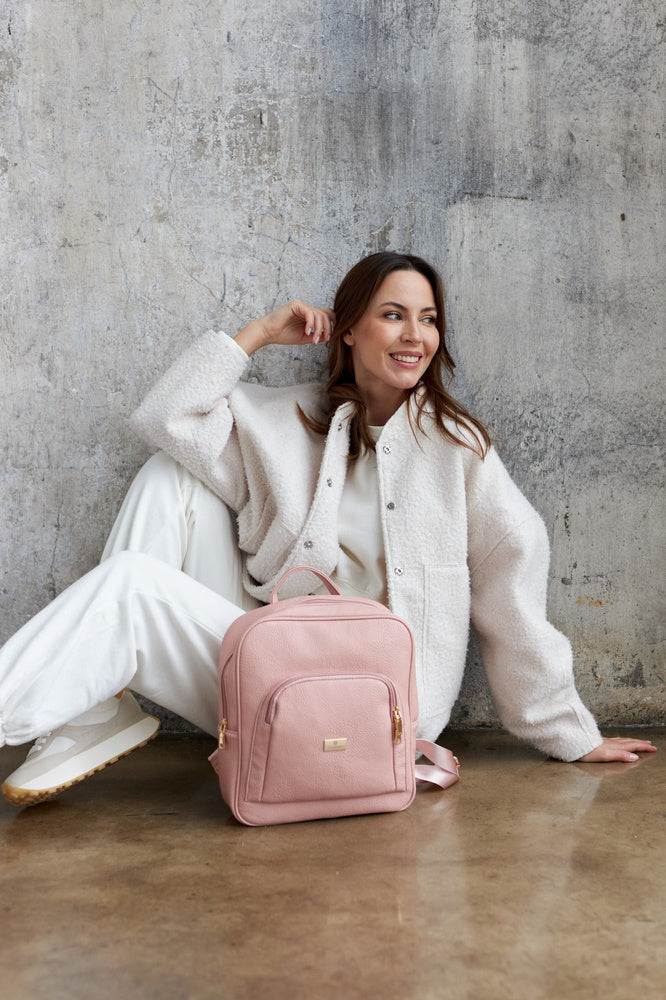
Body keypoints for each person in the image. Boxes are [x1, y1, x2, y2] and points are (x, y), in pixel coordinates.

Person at [0, 252, 655, 806]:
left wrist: (571, 734)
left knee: (130, 585)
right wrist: (258, 334)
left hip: (372, 708)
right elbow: (166, 419)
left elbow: (513, 594)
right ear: (347, 330)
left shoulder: (459, 450)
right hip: (270, 671)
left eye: (428, 319)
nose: (415, 335)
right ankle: (97, 709)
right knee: (168, 473)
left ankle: (84, 709)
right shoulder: (288, 420)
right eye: (393, 315)